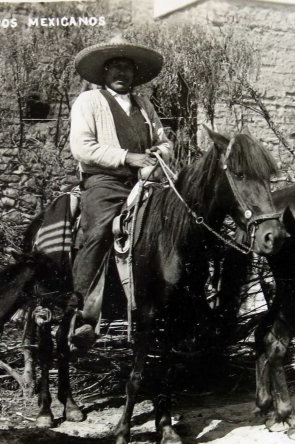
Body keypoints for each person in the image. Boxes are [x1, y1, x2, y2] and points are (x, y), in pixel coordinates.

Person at [69, 37, 173, 343]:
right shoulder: (89, 102)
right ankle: (80, 311)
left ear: (134, 73)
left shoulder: (145, 106)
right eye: (115, 66)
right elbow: (83, 147)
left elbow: (166, 141)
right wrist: (127, 157)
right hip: (105, 181)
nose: (121, 73)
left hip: (146, 181)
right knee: (100, 230)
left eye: (127, 67)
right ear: (104, 72)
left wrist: (159, 152)